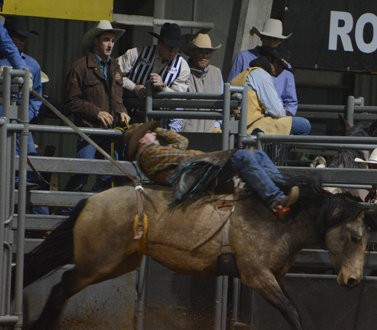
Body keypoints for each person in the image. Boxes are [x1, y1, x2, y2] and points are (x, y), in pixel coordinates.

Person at [124, 122, 298, 217]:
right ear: (141, 141)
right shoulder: (149, 154)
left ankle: (281, 191)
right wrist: (215, 157)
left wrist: (158, 129)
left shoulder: (153, 153)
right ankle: (275, 200)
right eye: (149, 132)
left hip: (197, 173)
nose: (153, 134)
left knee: (256, 154)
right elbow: (184, 156)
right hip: (198, 176)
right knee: (242, 156)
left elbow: (182, 142)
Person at [62, 20, 130, 193]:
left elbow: (118, 99)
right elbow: (71, 100)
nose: (110, 45)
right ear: (95, 41)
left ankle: (95, 207)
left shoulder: (115, 67)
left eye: (112, 41)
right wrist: (97, 112)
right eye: (106, 40)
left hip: (110, 133)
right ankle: (66, 205)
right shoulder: (80, 67)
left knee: (108, 176)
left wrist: (122, 112)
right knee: (81, 173)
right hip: (89, 131)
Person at [0, 15, 48, 214]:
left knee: (29, 170)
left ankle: (39, 220)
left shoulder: (32, 65)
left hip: (21, 124)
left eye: (24, 37)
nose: (21, 41)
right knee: (0, 171)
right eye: (17, 36)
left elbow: (36, 98)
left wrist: (26, 116)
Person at [229, 46, 310, 136]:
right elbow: (276, 111)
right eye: (279, 64)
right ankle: (280, 145)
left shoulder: (245, 74)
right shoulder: (262, 75)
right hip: (252, 125)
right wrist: (285, 112)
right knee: (304, 125)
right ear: (269, 59)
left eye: (283, 67)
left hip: (241, 124)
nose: (280, 69)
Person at [227, 18, 297, 116]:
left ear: (279, 42)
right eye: (268, 38)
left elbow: (291, 102)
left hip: (276, 117)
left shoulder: (285, 66)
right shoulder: (242, 58)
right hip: (248, 115)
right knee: (303, 123)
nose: (271, 42)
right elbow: (231, 88)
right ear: (262, 38)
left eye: (275, 39)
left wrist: (284, 119)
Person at [117, 22, 190, 116]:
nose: (173, 51)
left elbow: (179, 99)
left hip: (161, 117)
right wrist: (134, 87)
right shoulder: (137, 53)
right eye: (169, 47)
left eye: (176, 48)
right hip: (129, 112)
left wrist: (163, 87)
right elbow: (114, 73)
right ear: (159, 43)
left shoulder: (182, 66)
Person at [169, 33, 223, 133]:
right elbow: (177, 107)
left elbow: (220, 105)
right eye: (200, 52)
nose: (204, 56)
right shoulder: (181, 71)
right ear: (192, 53)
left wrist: (216, 126)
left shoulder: (217, 73)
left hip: (210, 134)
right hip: (187, 133)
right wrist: (175, 133)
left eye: (208, 52)